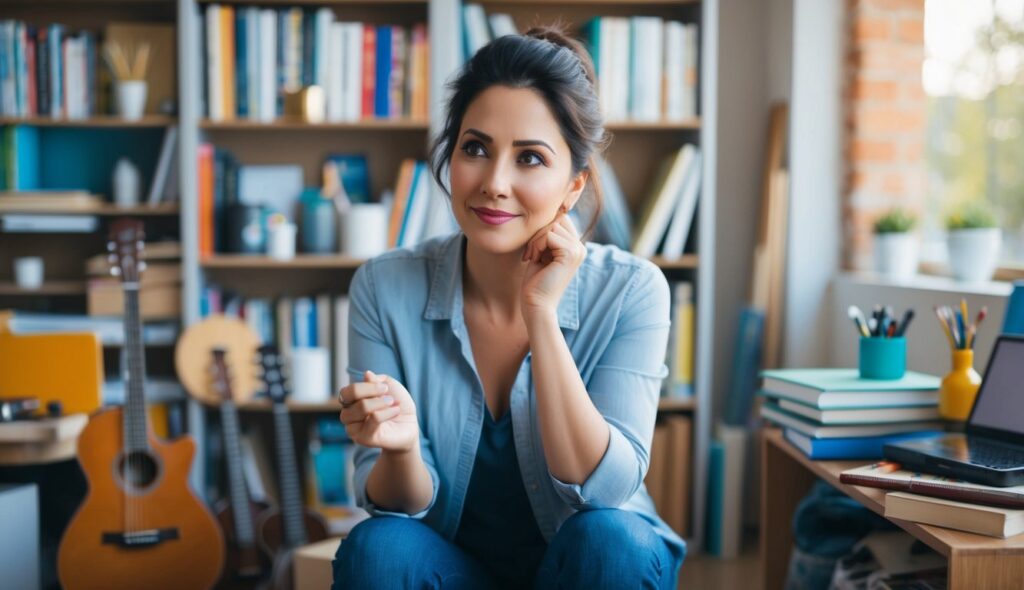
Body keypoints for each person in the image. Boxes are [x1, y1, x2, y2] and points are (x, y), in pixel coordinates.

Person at [332, 25, 686, 590]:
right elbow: (396, 507)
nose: (494, 183)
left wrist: (541, 313)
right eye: (475, 149)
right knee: (378, 547)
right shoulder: (384, 286)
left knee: (610, 540)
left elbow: (604, 489)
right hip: (452, 569)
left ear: (574, 187)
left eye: (530, 158)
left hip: (588, 568)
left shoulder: (633, 289)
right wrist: (398, 450)